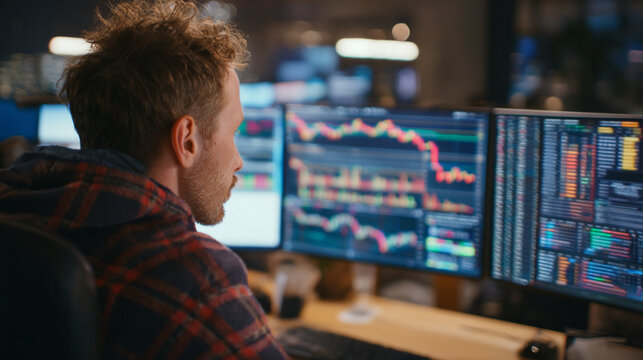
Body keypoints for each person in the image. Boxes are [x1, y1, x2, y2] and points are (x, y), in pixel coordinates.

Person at [0, 0, 288, 358]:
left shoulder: (16, 204)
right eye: (234, 131)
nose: (239, 160)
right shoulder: (197, 280)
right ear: (186, 141)